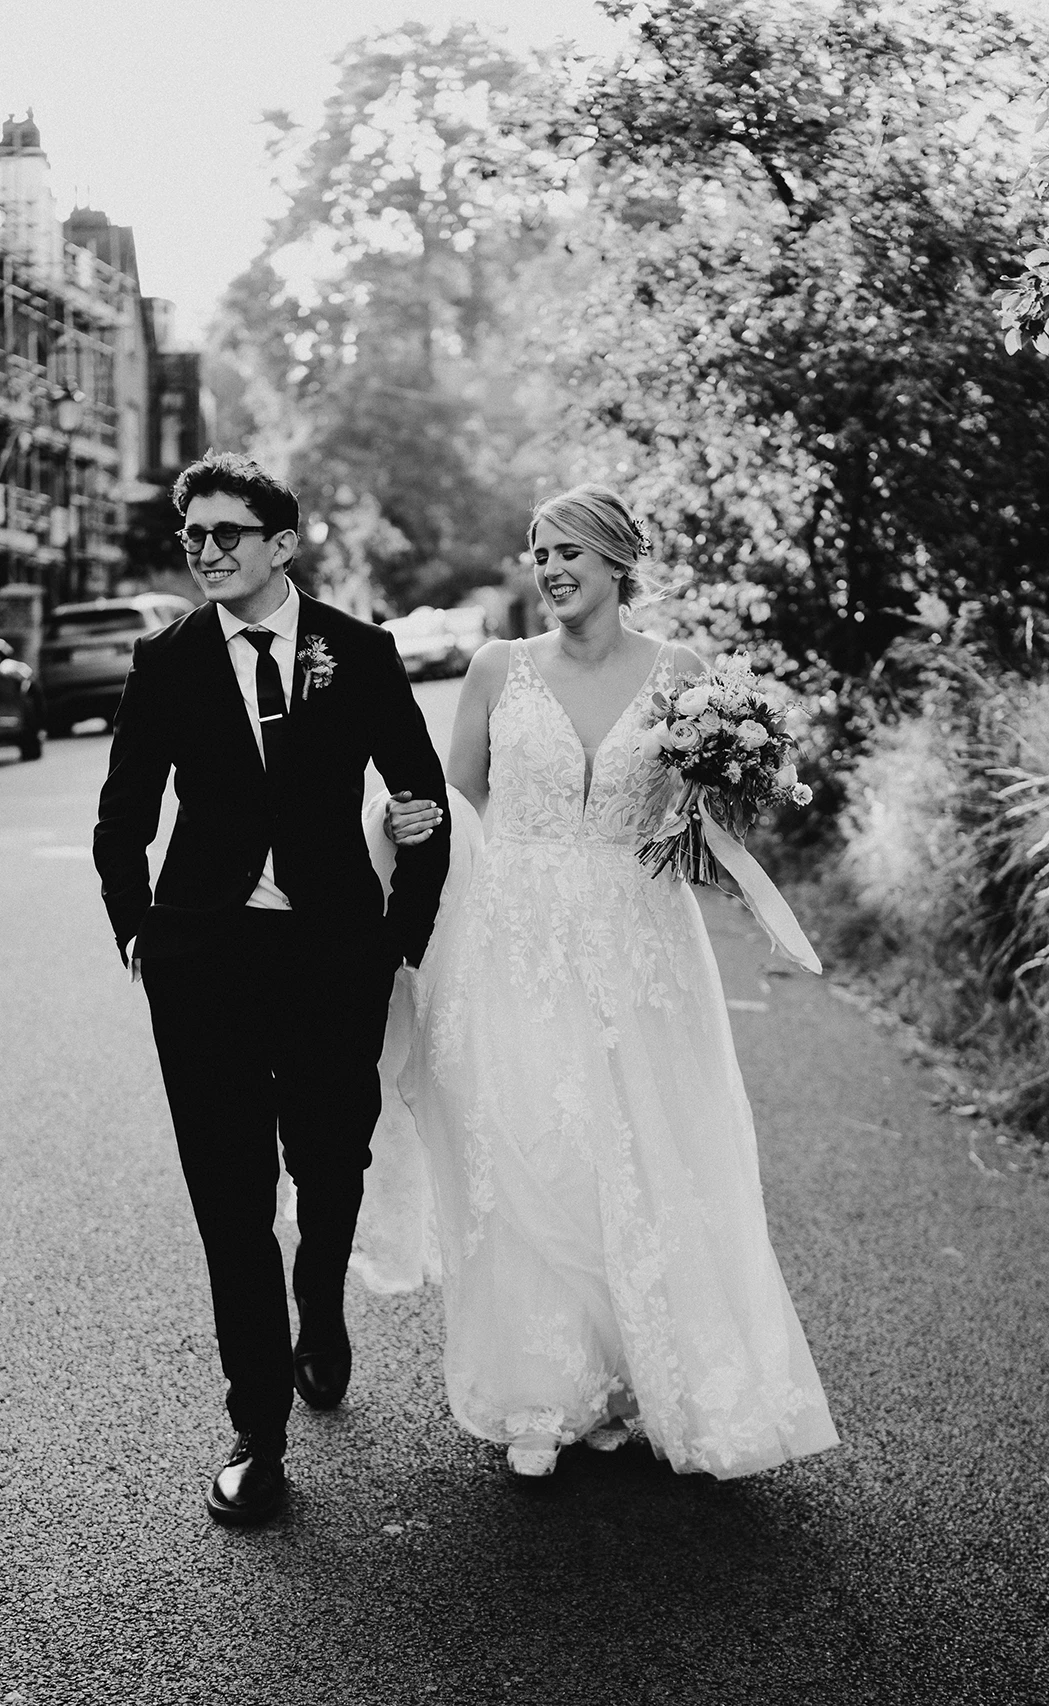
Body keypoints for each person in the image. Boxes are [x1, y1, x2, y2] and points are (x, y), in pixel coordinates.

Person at [384, 483, 839, 1479]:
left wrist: (734, 784)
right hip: (515, 937)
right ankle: (543, 1392)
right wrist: (397, 852)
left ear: (616, 560)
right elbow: (453, 798)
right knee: (534, 1146)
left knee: (638, 1152)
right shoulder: (498, 667)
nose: (547, 568)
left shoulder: (682, 672)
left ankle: (629, 1383)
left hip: (642, 944)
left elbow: (704, 812)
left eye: (567, 552)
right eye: (537, 552)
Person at [93, 452, 450, 1525]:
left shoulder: (361, 650)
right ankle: (257, 1428)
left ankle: (321, 1300)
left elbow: (419, 793)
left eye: (226, 533)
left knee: (332, 1156)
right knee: (232, 1194)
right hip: (203, 962)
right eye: (191, 533)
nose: (204, 549)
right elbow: (121, 819)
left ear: (282, 544)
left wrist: (402, 933)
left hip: (334, 952)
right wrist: (137, 936)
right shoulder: (166, 663)